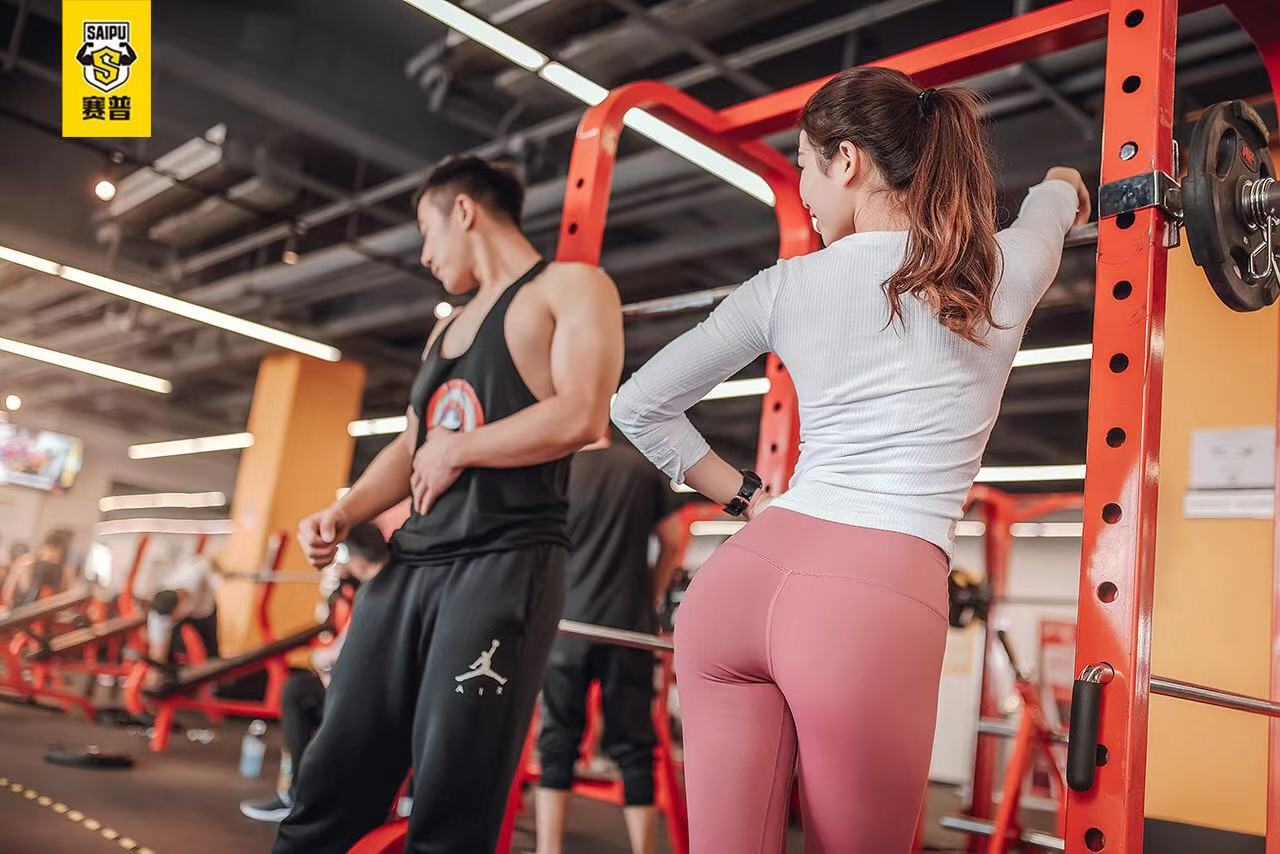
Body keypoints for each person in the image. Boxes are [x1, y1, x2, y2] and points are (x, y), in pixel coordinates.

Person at [611, 66, 1089, 852]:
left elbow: (637, 405)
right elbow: (1057, 197)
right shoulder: (1004, 267)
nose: (802, 188)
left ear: (846, 160)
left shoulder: (784, 285)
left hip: (739, 584)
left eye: (804, 164)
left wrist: (749, 500)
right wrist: (1065, 186)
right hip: (870, 600)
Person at [277, 155, 623, 853]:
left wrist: (461, 449)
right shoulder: (446, 330)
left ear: (464, 211)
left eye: (426, 233)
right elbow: (412, 446)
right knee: (332, 772)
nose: (425, 256)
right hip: (410, 565)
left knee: (451, 794)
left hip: (503, 565)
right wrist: (344, 513)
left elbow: (583, 414)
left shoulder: (570, 288)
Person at [535, 438, 684, 854]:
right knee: (634, 746)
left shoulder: (555, 469)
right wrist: (650, 597)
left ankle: (548, 850)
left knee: (557, 741)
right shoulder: (640, 466)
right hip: (627, 628)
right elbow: (673, 540)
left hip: (566, 626)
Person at [239, 523, 388, 823]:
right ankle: (302, 792)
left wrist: (329, 668)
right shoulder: (373, 589)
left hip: (369, 698)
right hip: (363, 688)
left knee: (296, 691)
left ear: (356, 559)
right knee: (299, 688)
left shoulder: (377, 594)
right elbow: (349, 645)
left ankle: (300, 796)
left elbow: (363, 654)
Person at [133, 540, 222, 665]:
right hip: (189, 611)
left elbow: (206, 563)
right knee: (169, 651)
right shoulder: (160, 615)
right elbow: (157, 653)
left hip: (204, 611)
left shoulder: (195, 575)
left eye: (175, 616)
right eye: (171, 618)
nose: (172, 619)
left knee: (211, 650)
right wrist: (156, 668)